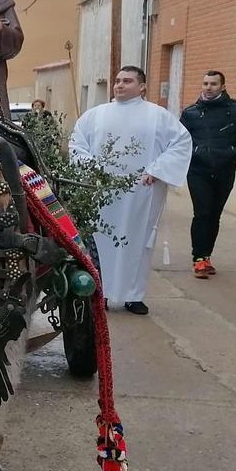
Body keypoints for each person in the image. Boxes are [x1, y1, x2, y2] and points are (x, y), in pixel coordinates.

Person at [69, 65, 192, 315]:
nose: (119, 85)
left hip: (142, 192)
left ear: (142, 86)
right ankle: (99, 292)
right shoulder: (95, 115)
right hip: (101, 192)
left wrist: (157, 170)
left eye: (126, 81)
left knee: (138, 241)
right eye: (117, 80)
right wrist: (91, 169)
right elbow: (77, 143)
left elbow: (181, 142)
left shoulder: (159, 116)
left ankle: (133, 296)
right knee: (100, 241)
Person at [180, 70, 236, 278]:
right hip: (198, 170)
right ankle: (198, 259)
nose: (208, 87)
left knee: (215, 214)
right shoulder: (191, 113)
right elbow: (179, 140)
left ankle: (206, 256)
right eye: (205, 83)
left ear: (222, 86)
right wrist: (195, 152)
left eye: (213, 84)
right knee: (203, 212)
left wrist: (235, 153)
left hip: (225, 169)